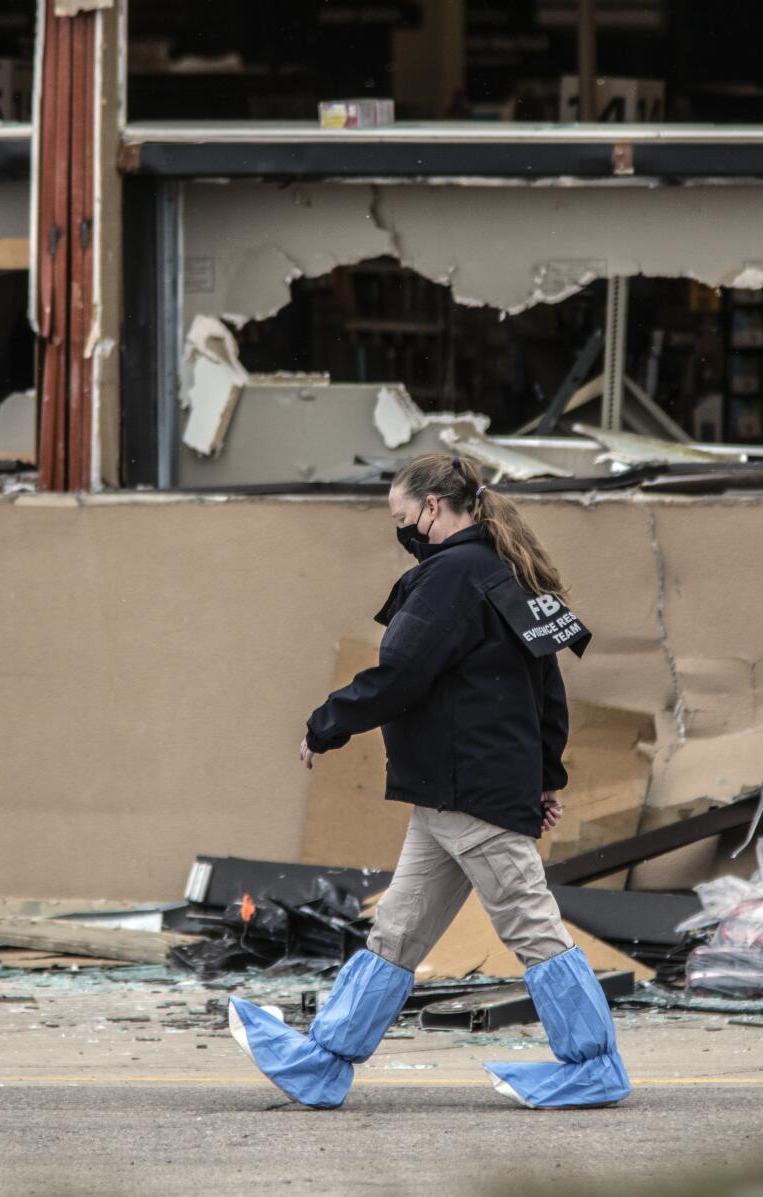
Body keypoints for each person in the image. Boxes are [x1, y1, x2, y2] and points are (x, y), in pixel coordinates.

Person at [227, 453, 631, 1111]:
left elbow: (401, 673)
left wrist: (326, 723)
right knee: (399, 930)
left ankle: (593, 1063)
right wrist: (543, 775)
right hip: (456, 792)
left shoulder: (448, 578)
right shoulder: (505, 572)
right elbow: (546, 690)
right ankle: (325, 1061)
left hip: (466, 788)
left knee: (530, 922)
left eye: (402, 515)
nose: (401, 527)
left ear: (433, 508)